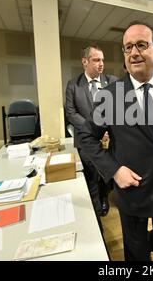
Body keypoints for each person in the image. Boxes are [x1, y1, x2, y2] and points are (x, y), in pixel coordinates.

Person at [77, 21, 153, 261]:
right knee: (137, 254)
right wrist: (114, 170)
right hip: (133, 189)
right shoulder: (111, 95)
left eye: (141, 45)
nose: (134, 52)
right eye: (128, 47)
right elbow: (86, 138)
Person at [65, 45, 117, 218]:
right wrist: (93, 128)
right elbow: (71, 113)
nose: (101, 64)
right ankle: (95, 208)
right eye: (96, 60)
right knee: (91, 176)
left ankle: (104, 199)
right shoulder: (73, 85)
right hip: (85, 140)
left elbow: (117, 111)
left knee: (106, 174)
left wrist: (109, 129)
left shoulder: (112, 82)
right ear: (84, 62)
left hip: (109, 139)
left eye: (102, 60)